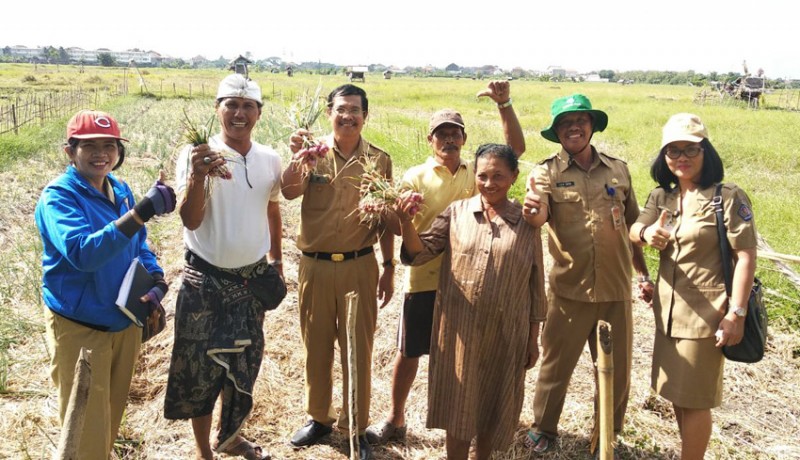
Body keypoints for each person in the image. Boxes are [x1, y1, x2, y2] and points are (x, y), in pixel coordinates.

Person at [365, 80, 526, 446]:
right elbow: (393, 225)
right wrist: (395, 213)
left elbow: (513, 150)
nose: (448, 140)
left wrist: (505, 105)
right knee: (409, 353)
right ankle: (395, 418)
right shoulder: (414, 177)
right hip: (423, 279)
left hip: (467, 283)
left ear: (465, 140)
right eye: (441, 134)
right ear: (430, 140)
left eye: (455, 134)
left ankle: (466, 419)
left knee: (465, 357)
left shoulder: (476, 174)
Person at [35, 109, 176, 460]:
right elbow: (83, 253)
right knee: (84, 429)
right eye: (89, 146)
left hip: (123, 321)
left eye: (109, 145)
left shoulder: (119, 189)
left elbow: (138, 244)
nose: (101, 154)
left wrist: (156, 278)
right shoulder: (59, 197)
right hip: (82, 328)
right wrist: (140, 212)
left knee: (109, 418)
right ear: (70, 151)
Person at [393, 143, 545, 460]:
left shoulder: (527, 224)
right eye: (483, 175)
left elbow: (535, 285)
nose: (489, 183)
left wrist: (533, 338)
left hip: (506, 333)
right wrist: (406, 222)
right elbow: (419, 254)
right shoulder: (457, 214)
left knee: (492, 405)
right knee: (459, 408)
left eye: (499, 176)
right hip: (459, 333)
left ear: (514, 177)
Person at [522, 94, 652, 455]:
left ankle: (606, 434)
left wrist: (643, 276)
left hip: (615, 289)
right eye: (565, 123)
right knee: (555, 365)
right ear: (556, 132)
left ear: (592, 126)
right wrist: (532, 210)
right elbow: (537, 217)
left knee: (615, 370)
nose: (574, 127)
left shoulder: (618, 169)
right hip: (569, 289)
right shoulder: (545, 172)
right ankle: (544, 428)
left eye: (580, 121)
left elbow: (632, 226)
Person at [164, 74, 283, 460]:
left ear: (259, 114)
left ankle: (230, 436)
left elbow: (273, 206)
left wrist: (276, 259)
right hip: (206, 281)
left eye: (248, 106)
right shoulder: (197, 154)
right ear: (217, 110)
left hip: (250, 282)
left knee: (244, 365)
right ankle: (204, 451)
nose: (239, 113)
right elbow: (191, 220)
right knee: (202, 371)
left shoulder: (268, 158)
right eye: (231, 104)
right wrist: (199, 175)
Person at [628, 113, 757, 459]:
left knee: (696, 401)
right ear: (663, 157)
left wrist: (736, 314)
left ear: (706, 152)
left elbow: (745, 256)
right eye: (673, 151)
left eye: (690, 149)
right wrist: (646, 233)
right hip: (668, 315)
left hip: (707, 317)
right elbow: (633, 230)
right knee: (678, 396)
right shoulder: (662, 197)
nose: (681, 158)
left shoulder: (725, 197)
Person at [281, 84, 394, 460]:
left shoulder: (379, 160)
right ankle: (320, 418)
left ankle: (356, 427)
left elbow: (385, 214)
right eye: (341, 109)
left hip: (360, 265)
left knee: (357, 348)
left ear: (365, 115)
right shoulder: (313, 154)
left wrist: (390, 265)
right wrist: (298, 158)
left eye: (355, 110)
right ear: (329, 112)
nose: (348, 116)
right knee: (315, 346)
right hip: (315, 265)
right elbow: (290, 192)